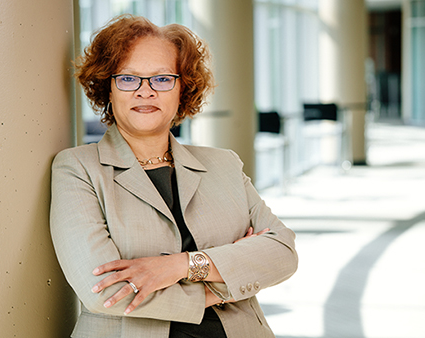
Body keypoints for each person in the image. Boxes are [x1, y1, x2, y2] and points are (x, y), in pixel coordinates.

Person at [50, 14, 298, 338]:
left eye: (162, 79)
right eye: (128, 78)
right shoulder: (77, 169)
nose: (145, 91)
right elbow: (102, 290)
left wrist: (180, 265)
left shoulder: (224, 164)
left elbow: (282, 252)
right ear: (107, 88)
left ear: (183, 88)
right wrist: (222, 286)